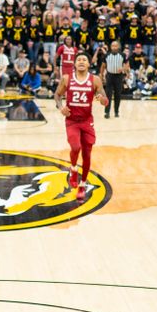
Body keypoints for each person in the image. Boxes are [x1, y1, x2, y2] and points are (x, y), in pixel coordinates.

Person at [55, 52, 109, 203]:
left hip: (86, 121)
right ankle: (73, 169)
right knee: (75, 146)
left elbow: (106, 101)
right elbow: (57, 95)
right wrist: (60, 107)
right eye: (78, 59)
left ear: (88, 64)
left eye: (84, 59)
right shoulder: (67, 78)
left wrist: (101, 99)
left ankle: (82, 185)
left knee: (87, 153)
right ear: (74, 63)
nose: (81, 61)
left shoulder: (95, 80)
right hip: (72, 120)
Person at [100, 41, 127, 118]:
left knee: (118, 95)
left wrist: (123, 68)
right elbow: (103, 66)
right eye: (113, 46)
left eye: (116, 46)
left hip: (119, 77)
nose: (114, 47)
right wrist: (101, 76)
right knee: (108, 95)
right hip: (109, 76)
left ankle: (116, 111)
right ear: (110, 47)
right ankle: (107, 112)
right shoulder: (106, 55)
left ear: (118, 47)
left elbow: (127, 65)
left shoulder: (123, 55)